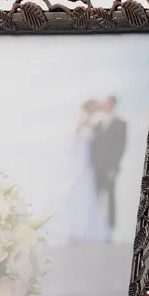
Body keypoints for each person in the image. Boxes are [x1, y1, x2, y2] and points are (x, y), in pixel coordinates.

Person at [46, 100, 110, 244]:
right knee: (76, 194)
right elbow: (74, 139)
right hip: (79, 164)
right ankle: (75, 228)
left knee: (87, 197)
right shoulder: (81, 123)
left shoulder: (92, 125)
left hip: (88, 165)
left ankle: (85, 229)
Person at [89, 96, 127, 242]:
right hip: (96, 167)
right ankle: (97, 227)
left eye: (107, 103)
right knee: (95, 196)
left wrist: (114, 168)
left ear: (112, 105)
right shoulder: (98, 123)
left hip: (110, 168)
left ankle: (111, 229)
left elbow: (120, 147)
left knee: (110, 197)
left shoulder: (121, 124)